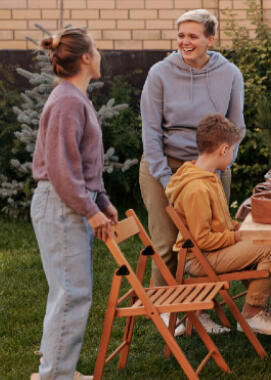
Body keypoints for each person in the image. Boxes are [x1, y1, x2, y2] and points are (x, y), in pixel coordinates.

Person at [30, 28, 118, 380]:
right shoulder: (67, 100)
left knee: (69, 292)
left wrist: (102, 200)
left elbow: (81, 164)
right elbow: (62, 170)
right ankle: (54, 376)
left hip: (68, 201)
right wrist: (91, 211)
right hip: (61, 203)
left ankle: (57, 371)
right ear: (85, 57)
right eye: (96, 49)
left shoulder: (74, 97)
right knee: (70, 293)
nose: (99, 54)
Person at [139, 9, 245, 298]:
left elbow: (237, 127)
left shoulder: (230, 74)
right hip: (163, 164)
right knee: (166, 242)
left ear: (210, 39)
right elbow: (150, 132)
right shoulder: (160, 74)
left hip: (211, 167)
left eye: (193, 36)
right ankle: (165, 308)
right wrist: (165, 179)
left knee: (211, 240)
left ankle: (203, 307)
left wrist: (221, 165)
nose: (185, 42)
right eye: (181, 36)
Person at [166, 114, 271, 335]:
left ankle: (261, 306)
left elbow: (219, 223)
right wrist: (238, 237)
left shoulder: (209, 176)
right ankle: (252, 314)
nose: (233, 155)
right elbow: (202, 240)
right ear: (223, 150)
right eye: (233, 150)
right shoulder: (196, 188)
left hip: (210, 250)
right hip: (198, 258)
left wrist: (239, 227)